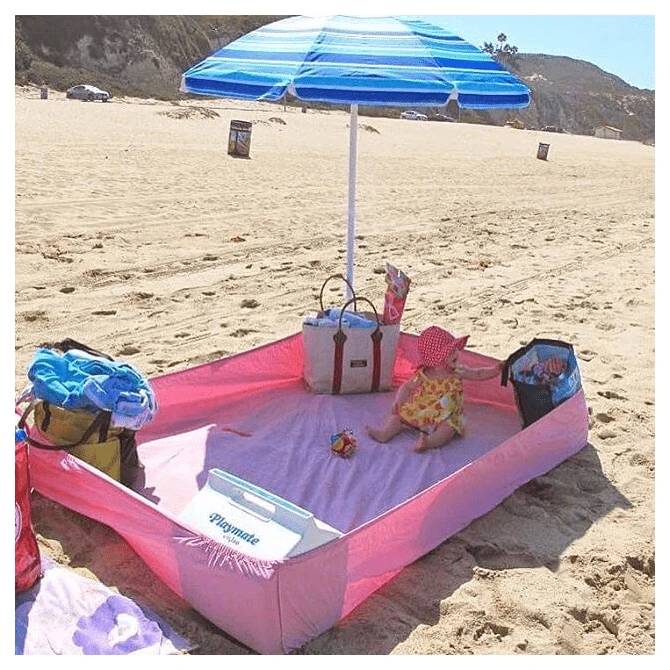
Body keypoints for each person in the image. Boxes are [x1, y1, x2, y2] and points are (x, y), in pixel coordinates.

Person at [365, 326, 502, 452]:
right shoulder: (425, 374)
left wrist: (495, 370)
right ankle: (384, 433)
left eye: (455, 349)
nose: (456, 353)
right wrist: (399, 401)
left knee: (449, 429)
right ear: (438, 361)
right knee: (399, 415)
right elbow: (407, 387)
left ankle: (428, 442)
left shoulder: (458, 371)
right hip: (424, 410)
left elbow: (477, 374)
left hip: (446, 415)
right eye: (450, 352)